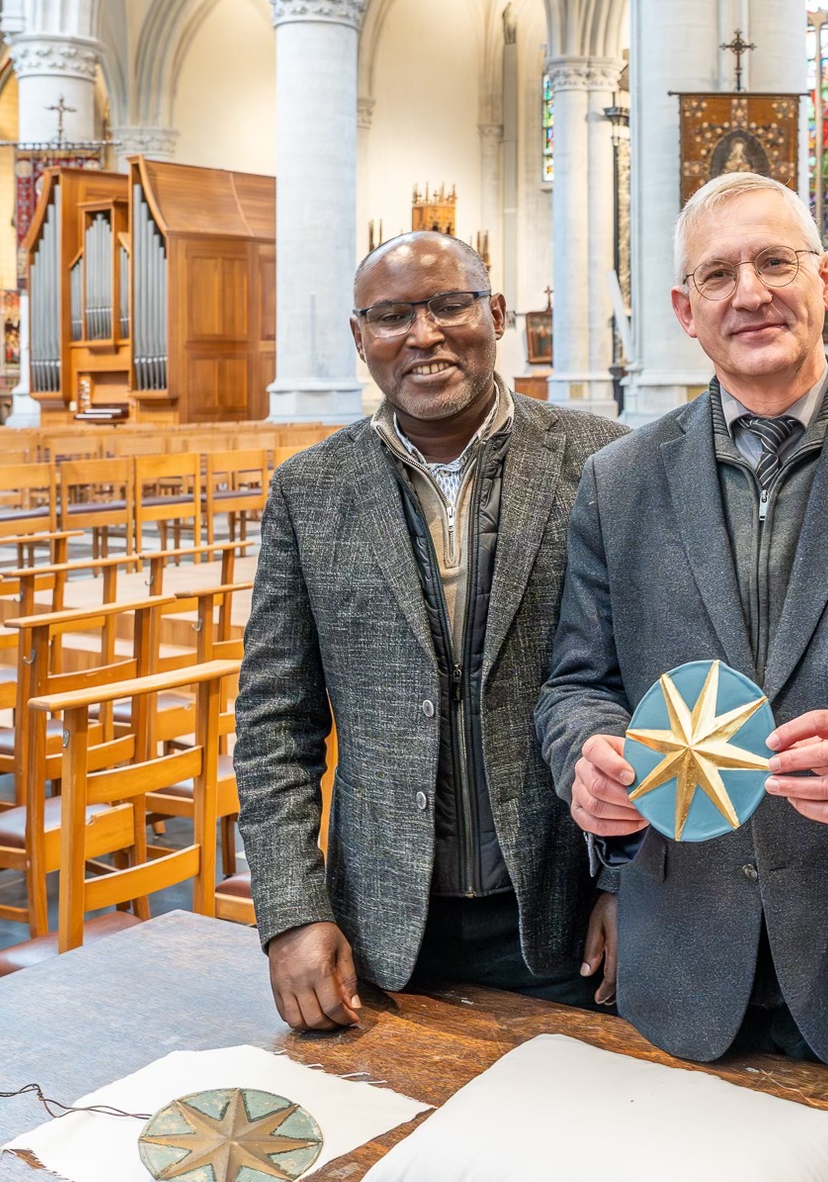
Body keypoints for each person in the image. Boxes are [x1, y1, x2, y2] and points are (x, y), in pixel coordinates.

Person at [535, 172, 828, 1082]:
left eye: (774, 261)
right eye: (718, 275)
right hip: (681, 955)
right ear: (685, 308)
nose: (749, 292)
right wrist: (589, 762)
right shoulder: (620, 480)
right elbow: (577, 685)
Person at [235, 232, 628, 1032]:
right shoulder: (311, 491)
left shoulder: (604, 463)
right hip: (379, 933)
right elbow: (276, 721)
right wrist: (289, 912)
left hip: (568, 913)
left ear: (496, 314)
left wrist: (634, 885)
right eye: (391, 316)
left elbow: (653, 686)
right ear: (359, 338)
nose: (424, 334)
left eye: (450, 304)